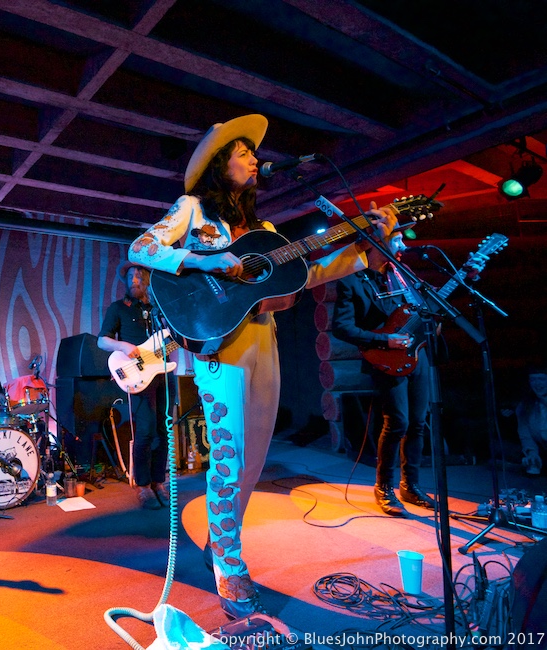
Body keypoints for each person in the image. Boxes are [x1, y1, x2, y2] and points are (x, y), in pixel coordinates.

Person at [127, 114, 397, 619]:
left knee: (252, 459)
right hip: (220, 348)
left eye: (253, 152)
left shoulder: (267, 233)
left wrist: (363, 250)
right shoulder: (192, 209)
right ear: (219, 164)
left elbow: (306, 274)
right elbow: (141, 247)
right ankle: (230, 563)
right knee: (229, 458)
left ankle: (221, 539)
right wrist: (204, 261)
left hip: (263, 341)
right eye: (243, 152)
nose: (255, 159)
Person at [332, 233, 488, 516]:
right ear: (377, 243)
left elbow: (435, 303)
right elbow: (342, 327)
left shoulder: (403, 275)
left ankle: (411, 485)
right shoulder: (352, 280)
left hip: (419, 352)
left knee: (418, 422)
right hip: (385, 356)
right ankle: (384, 487)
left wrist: (467, 276)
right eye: (397, 240)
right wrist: (385, 340)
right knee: (398, 422)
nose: (403, 245)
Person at [98, 261, 172, 510]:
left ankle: (158, 482)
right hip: (139, 376)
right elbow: (102, 341)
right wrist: (123, 346)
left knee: (164, 430)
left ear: (148, 279)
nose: (134, 280)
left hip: (163, 372)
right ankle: (143, 486)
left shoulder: (159, 309)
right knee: (146, 431)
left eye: (139, 275)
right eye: (130, 276)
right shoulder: (118, 308)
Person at [518, 365, 547, 476]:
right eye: (533, 380)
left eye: (541, 379)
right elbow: (525, 434)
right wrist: (532, 453)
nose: (537, 383)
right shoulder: (525, 405)